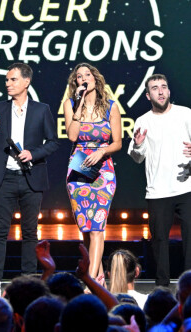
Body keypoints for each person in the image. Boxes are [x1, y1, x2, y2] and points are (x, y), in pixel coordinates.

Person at [0, 62, 59, 296]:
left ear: (26, 82)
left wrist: (33, 154)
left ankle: (27, 279)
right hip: (5, 176)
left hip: (31, 177)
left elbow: (54, 142)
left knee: (29, 232)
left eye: (13, 79)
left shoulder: (41, 109)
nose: (8, 83)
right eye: (7, 80)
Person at [128, 73, 191, 286]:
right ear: (148, 95)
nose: (161, 91)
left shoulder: (185, 114)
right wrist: (138, 145)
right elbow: (137, 158)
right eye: (155, 88)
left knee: (190, 239)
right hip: (158, 190)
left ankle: (188, 284)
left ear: (169, 91)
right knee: (159, 241)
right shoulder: (143, 121)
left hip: (187, 186)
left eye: (164, 86)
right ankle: (162, 286)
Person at [64, 63, 122, 280]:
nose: (83, 79)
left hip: (103, 171)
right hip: (79, 169)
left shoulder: (111, 107)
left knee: (97, 227)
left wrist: (102, 152)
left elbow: (117, 142)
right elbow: (72, 136)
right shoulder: (70, 104)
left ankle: (90, 283)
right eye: (79, 77)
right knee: (86, 228)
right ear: (76, 83)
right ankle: (99, 279)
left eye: (87, 75)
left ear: (96, 79)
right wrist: (78, 104)